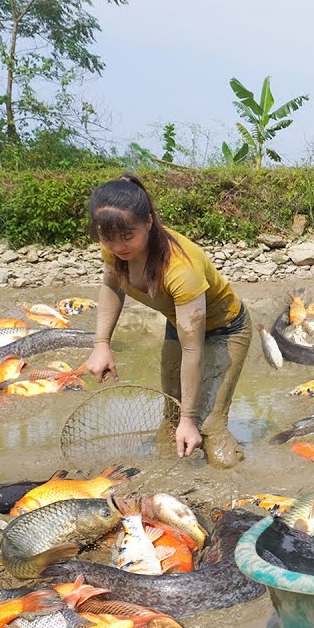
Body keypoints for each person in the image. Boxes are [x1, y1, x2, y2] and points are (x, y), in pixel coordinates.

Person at [84, 174, 251, 468]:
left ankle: (236, 485)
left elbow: (192, 350)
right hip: (178, 323)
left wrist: (190, 420)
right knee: (169, 424)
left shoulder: (180, 268)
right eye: (108, 237)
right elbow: (112, 285)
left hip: (226, 329)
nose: (119, 246)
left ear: (149, 222)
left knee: (210, 431)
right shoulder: (112, 245)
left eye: (128, 236)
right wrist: (101, 344)